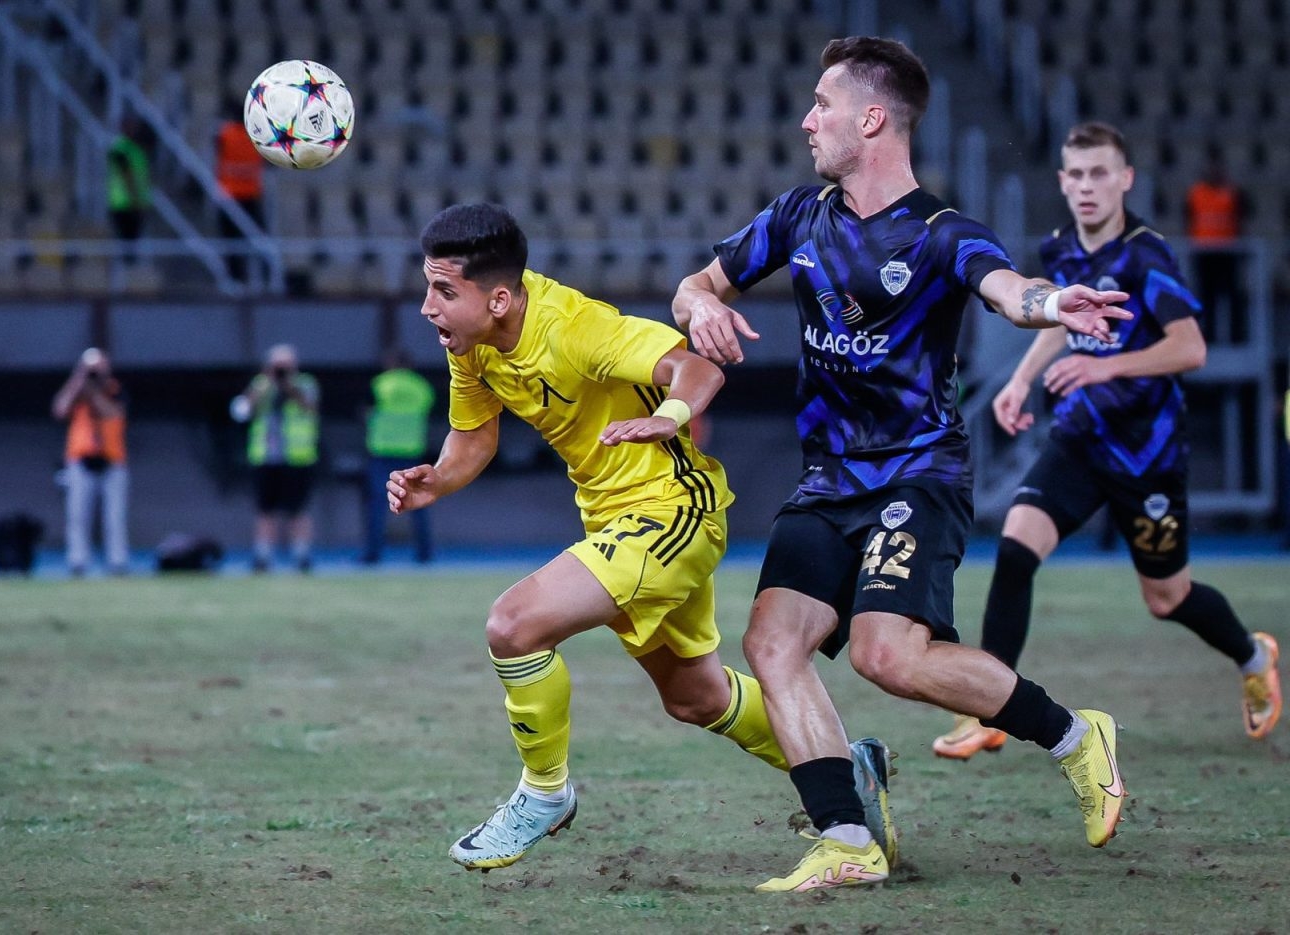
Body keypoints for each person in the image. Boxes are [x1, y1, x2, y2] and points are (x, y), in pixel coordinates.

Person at [673, 37, 1136, 893]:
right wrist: (699, 307)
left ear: (872, 119)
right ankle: (847, 836)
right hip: (827, 479)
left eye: (823, 104)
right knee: (772, 642)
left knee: (888, 656)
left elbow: (1009, 291)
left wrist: (1052, 303)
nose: (807, 119)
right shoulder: (798, 216)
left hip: (916, 476)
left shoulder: (941, 234)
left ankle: (1077, 736)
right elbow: (697, 282)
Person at [388, 203, 898, 877]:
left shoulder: (576, 328)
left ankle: (545, 792)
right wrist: (438, 480)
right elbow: (474, 435)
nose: (428, 306)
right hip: (615, 519)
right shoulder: (473, 343)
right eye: (429, 287)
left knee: (514, 625)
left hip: (673, 511)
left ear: (500, 298)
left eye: (443, 291)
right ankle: (845, 765)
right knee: (695, 696)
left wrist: (669, 416)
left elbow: (699, 370)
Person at [932, 122, 1282, 759]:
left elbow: (1190, 348)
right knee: (1015, 548)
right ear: (1063, 182)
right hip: (1080, 440)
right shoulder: (1061, 247)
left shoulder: (1147, 257)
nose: (1088, 186)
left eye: (1100, 174)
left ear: (1125, 180)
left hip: (1148, 455)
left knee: (1167, 598)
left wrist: (1105, 368)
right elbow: (1062, 322)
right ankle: (991, 709)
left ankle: (1253, 655)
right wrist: (1020, 381)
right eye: (1077, 174)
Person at [231, 344, 319, 573]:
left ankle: (301, 555)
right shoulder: (261, 384)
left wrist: (288, 386)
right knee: (265, 510)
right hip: (266, 456)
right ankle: (263, 556)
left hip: (297, 457)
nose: (281, 371)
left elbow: (309, 407)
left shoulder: (305, 384)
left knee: (297, 509)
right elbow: (241, 411)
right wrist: (265, 384)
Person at [52, 347, 129, 576]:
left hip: (112, 460)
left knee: (114, 517)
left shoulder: (115, 389)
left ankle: (117, 562)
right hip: (80, 460)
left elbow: (114, 413)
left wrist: (95, 391)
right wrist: (78, 380)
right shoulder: (77, 390)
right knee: (77, 516)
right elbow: (59, 410)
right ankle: (78, 561)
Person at [360, 347, 435, 565]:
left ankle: (373, 554)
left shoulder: (380, 384)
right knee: (418, 504)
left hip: (382, 451)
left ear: (391, 363)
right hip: (412, 451)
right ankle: (424, 553)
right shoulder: (422, 387)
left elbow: (366, 413)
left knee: (377, 505)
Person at [1184, 148, 1245, 341]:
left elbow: (1241, 221)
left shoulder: (1232, 192)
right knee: (1206, 298)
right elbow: (1188, 220)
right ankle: (1207, 338)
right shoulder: (1195, 193)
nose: (1213, 170)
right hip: (1204, 253)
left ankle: (1237, 338)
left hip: (1228, 253)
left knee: (1232, 296)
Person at [215, 99, 266, 282]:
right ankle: (253, 275)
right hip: (251, 194)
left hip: (229, 193)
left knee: (230, 239)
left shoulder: (224, 135)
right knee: (249, 238)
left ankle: (234, 276)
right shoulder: (257, 135)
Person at [108, 116, 152, 264]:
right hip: (124, 204)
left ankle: (129, 269)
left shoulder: (136, 149)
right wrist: (135, 201)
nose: (134, 130)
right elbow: (127, 176)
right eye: (130, 127)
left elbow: (141, 175)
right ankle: (124, 270)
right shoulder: (120, 148)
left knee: (133, 243)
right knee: (126, 244)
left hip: (135, 202)